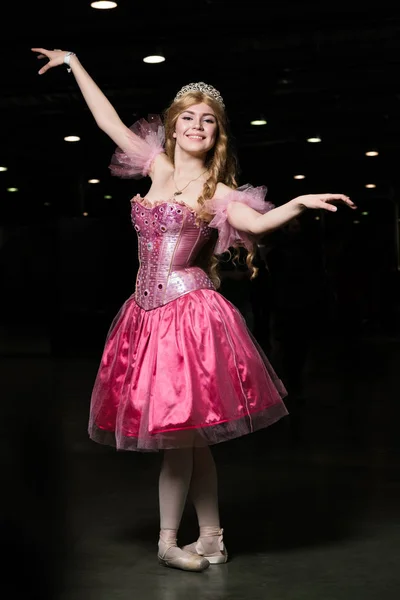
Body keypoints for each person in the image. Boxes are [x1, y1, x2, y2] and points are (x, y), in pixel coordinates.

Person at [31, 48, 357, 572]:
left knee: (180, 436)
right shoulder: (156, 166)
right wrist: (73, 63)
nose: (198, 126)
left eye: (208, 121)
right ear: (174, 126)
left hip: (188, 315)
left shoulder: (218, 190)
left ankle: (167, 542)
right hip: (143, 315)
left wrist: (298, 203)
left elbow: (254, 227)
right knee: (193, 439)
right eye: (189, 118)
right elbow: (107, 119)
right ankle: (211, 537)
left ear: (216, 133)